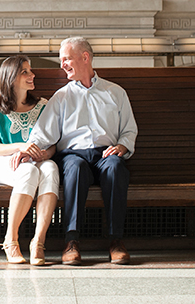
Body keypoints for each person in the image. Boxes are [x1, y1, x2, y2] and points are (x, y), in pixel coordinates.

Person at [22, 37, 137, 266]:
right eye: (61, 60)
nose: (62, 65)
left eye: (66, 59)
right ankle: (71, 241)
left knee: (116, 167)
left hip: (106, 155)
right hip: (73, 155)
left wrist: (122, 146)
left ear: (85, 57)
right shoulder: (61, 97)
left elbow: (129, 130)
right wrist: (29, 150)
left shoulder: (115, 92)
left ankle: (116, 241)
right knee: (74, 169)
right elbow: (43, 133)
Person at [0, 55, 59, 265]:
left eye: (30, 70)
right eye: (25, 72)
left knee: (51, 168)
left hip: (37, 160)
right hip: (3, 163)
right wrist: (21, 146)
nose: (32, 75)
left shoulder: (43, 106)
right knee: (28, 171)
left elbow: (52, 143)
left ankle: (38, 242)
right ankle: (11, 239)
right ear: (10, 77)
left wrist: (45, 154)